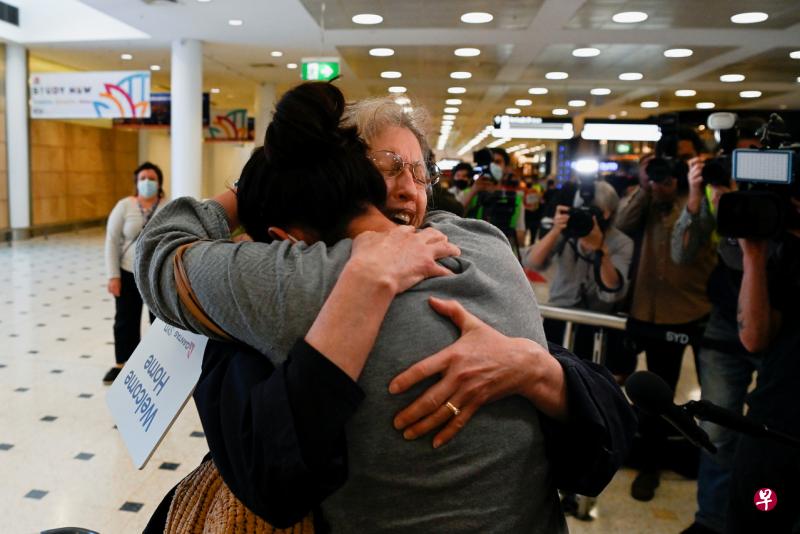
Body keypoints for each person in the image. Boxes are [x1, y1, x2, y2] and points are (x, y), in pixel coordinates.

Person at [136, 82, 636, 532]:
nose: (409, 188)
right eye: (390, 167)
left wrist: (250, 190)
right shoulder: (486, 245)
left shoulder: (303, 277)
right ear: (349, 171)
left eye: (421, 173)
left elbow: (156, 254)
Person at [615, 152, 717, 501]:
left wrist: (692, 191)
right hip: (654, 314)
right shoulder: (649, 201)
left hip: (700, 309)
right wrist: (645, 187)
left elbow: (689, 247)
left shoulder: (701, 203)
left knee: (715, 399)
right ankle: (651, 465)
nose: (664, 178)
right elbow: (622, 223)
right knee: (659, 397)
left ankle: (711, 465)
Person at [524, 180, 633, 367]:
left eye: (592, 212)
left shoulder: (622, 242)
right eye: (579, 210)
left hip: (596, 323)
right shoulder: (567, 231)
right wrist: (556, 230)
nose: (584, 216)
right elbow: (532, 263)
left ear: (608, 213)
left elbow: (613, 289)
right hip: (559, 316)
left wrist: (602, 251)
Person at [102, 161, 164, 384]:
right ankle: (122, 364)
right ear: (136, 183)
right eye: (143, 178)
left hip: (157, 273)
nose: (147, 182)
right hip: (127, 271)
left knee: (160, 322)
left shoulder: (168, 206)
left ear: (160, 183)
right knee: (125, 320)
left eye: (152, 178)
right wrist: (113, 276)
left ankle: (160, 364)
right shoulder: (124, 206)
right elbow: (111, 241)